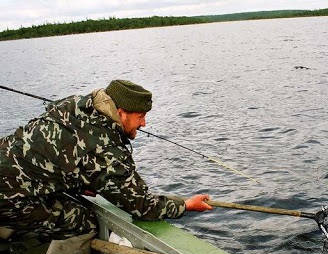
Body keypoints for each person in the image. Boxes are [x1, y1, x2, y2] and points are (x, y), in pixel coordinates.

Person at [0, 79, 212, 240]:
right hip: (9, 198)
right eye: (140, 116)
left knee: (73, 198)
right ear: (121, 113)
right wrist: (186, 205)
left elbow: (59, 153)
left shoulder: (75, 105)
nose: (144, 124)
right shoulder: (106, 150)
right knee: (87, 222)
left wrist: (78, 183)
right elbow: (142, 206)